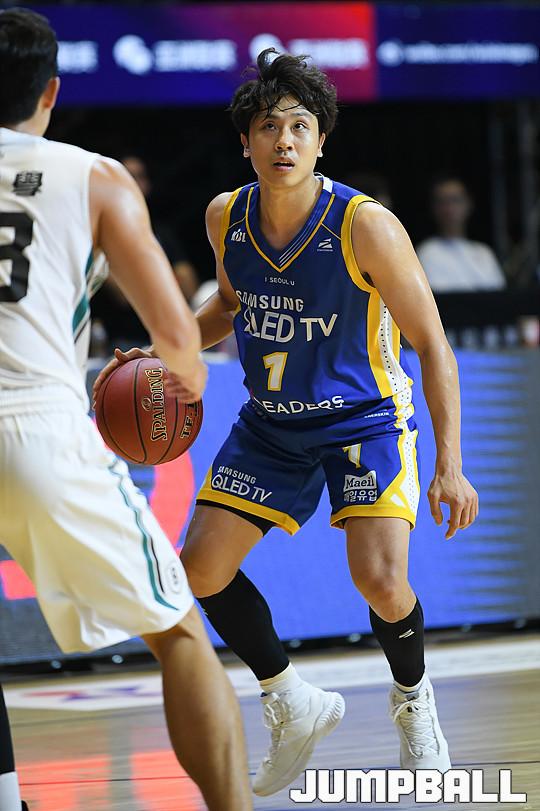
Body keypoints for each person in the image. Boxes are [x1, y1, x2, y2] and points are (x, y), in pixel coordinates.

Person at [97, 49, 478, 797]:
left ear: (321, 140)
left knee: (380, 579)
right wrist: (165, 346)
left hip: (364, 419)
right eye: (269, 126)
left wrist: (450, 464)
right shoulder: (226, 216)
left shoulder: (367, 227)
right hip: (271, 424)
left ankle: (414, 702)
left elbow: (434, 345)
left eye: (300, 126)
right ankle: (292, 700)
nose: (284, 141)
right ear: (246, 142)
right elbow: (227, 306)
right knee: (198, 570)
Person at [0, 9, 252, 811]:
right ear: (51, 92)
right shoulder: (95, 176)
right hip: (36, 425)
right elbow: (177, 336)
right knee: (178, 631)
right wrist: (183, 387)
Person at [92, 153, 200, 348]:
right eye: (128, 176)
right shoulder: (100, 235)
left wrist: (147, 280)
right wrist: (167, 279)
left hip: (165, 338)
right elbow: (125, 295)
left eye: (139, 177)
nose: (135, 183)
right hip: (123, 342)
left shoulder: (161, 232)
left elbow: (189, 287)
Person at [417, 176, 506, 292]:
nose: (449, 209)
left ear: (468, 204)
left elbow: (499, 295)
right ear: (434, 208)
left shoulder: (484, 252)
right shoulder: (427, 252)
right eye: (442, 202)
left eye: (455, 200)